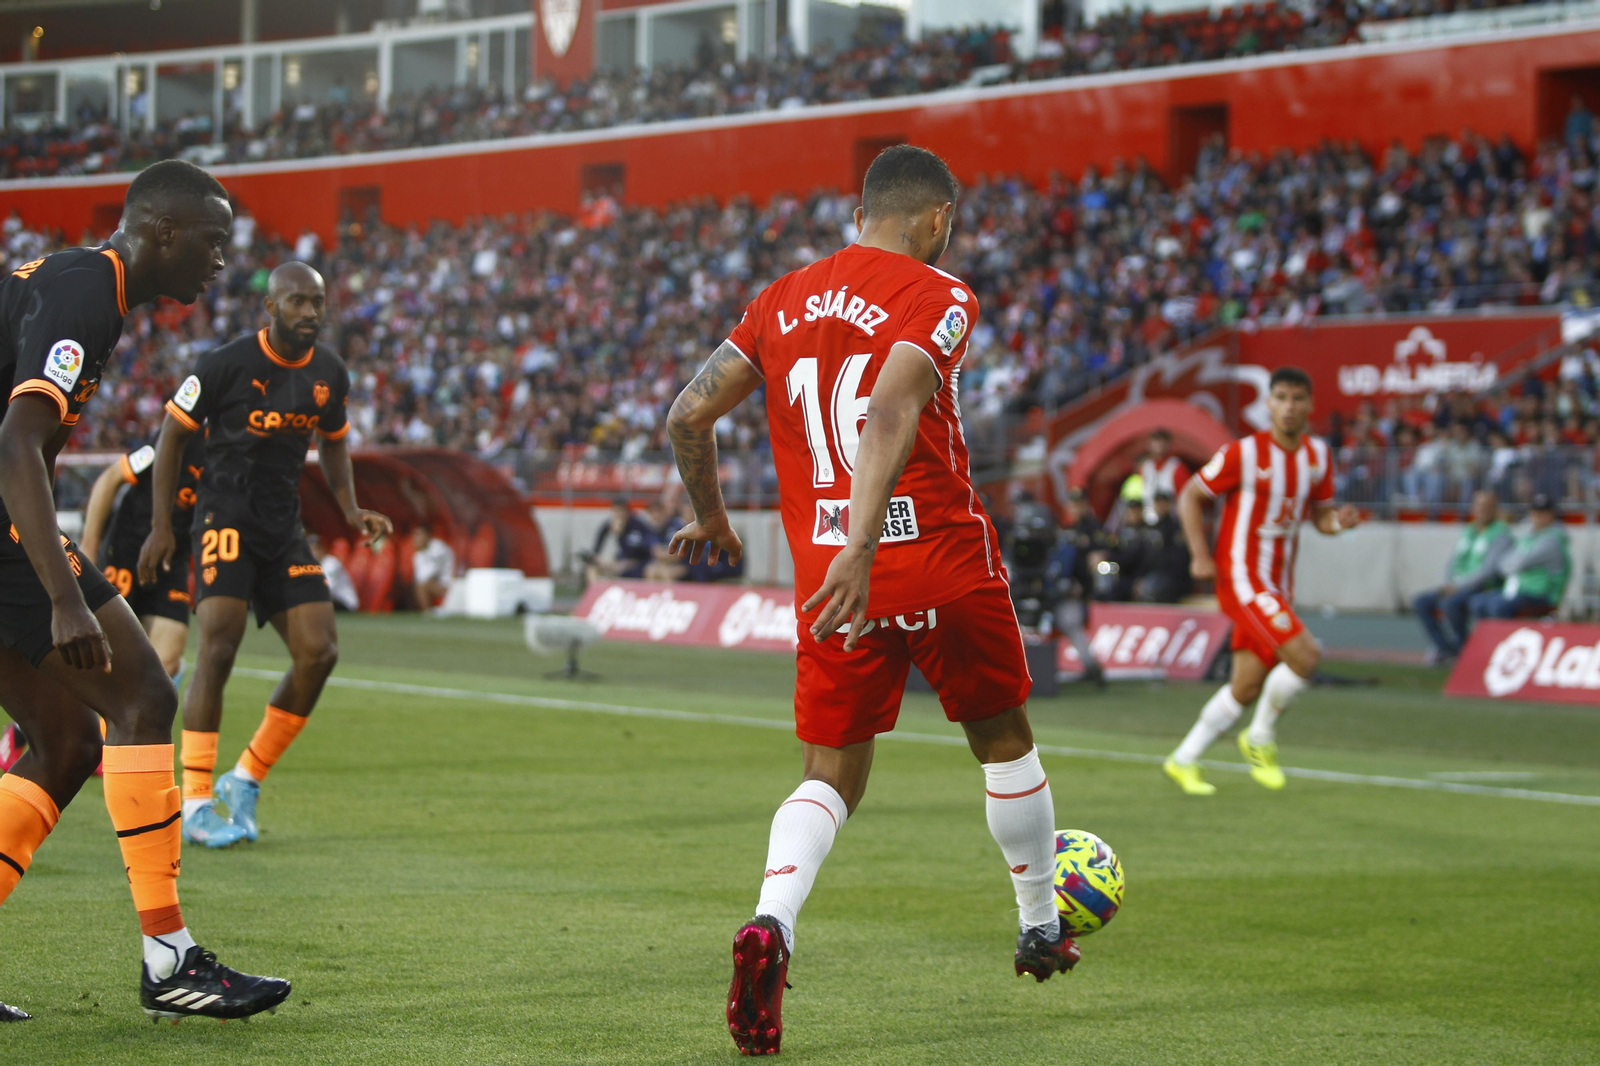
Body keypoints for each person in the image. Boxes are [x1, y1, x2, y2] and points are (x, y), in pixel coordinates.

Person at [665, 145, 1080, 1057]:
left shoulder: (779, 299)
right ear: (936, 219)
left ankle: (771, 922)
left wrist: (715, 517)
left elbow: (687, 414)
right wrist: (867, 543)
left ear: (861, 215)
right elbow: (891, 406)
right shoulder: (941, 293)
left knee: (829, 774)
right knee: (1003, 743)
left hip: (829, 578)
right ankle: (1039, 925)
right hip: (932, 558)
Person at [0, 159, 289, 1021]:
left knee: (64, 741)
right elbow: (17, 444)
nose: (221, 260)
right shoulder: (87, 291)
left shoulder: (82, 285)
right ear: (163, 230)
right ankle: (169, 959)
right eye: (213, 240)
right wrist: (64, 595)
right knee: (144, 698)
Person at [138, 261, 391, 851]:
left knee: (319, 652)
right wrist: (161, 526)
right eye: (298, 301)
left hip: (282, 529)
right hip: (223, 517)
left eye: (317, 302)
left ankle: (246, 778)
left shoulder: (329, 372)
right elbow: (172, 435)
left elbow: (334, 444)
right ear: (271, 307)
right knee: (218, 646)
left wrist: (351, 509)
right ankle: (195, 803)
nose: (310, 312)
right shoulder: (223, 364)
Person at [1163, 366, 1361, 797]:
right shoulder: (1244, 454)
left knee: (1247, 685)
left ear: (1310, 405)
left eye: (1297, 399)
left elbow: (1321, 518)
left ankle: (1183, 759)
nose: (1289, 407)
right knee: (1306, 657)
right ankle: (1259, 738)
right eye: (1281, 398)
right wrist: (1199, 555)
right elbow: (1191, 495)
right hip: (1242, 578)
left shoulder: (1317, 456)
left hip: (1278, 585)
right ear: (1268, 403)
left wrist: (1339, 523)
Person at [78, 432, 209, 678]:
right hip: (127, 551)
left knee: (167, 660)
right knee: (104, 656)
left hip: (172, 562)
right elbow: (111, 478)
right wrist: (89, 547)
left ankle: (126, 703)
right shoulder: (180, 437)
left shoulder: (239, 455)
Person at [1412, 489, 1511, 664]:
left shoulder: (1501, 534)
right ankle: (1445, 648)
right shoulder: (1469, 531)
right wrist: (1447, 583)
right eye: (1479, 506)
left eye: (1488, 506)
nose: (1483, 510)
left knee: (1451, 604)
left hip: (1482, 587)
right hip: (1455, 586)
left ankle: (1465, 648)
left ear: (1495, 509)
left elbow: (1489, 569)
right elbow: (1453, 561)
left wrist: (1458, 587)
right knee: (1421, 602)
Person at [1464, 494, 1570, 627]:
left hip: (1541, 593)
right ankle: (1486, 638)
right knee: (1478, 602)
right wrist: (1513, 564)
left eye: (1543, 513)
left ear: (1551, 515)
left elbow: (1519, 562)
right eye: (1535, 513)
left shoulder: (1552, 540)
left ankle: (1503, 637)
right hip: (1521, 589)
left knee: (1498, 606)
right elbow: (1504, 563)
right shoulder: (1530, 536)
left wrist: (1513, 564)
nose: (1538, 517)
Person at [1128, 490, 1191, 603]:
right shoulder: (1151, 528)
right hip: (1152, 574)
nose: (1160, 506)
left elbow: (1179, 560)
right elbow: (1145, 557)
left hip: (1171, 576)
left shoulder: (1176, 528)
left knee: (1152, 589)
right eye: (1157, 503)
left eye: (1162, 503)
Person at [584, 497, 656, 581]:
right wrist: (598, 559)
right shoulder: (609, 525)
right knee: (592, 569)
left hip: (639, 564)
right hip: (619, 562)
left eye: (621, 511)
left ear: (627, 512)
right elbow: (597, 549)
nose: (619, 514)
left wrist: (621, 534)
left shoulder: (637, 526)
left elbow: (636, 552)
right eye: (616, 511)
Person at [1133, 429, 1189, 524]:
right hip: (1146, 521)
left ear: (1168, 444)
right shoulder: (1145, 467)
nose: (1159, 446)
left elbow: (1186, 496)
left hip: (1171, 521)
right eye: (1156, 441)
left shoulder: (1176, 467)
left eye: (1162, 442)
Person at [307, 534, 358, 612]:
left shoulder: (331, 563)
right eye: (311, 550)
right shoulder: (313, 566)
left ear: (322, 549)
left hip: (346, 604)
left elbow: (327, 589)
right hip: (332, 602)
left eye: (315, 549)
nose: (313, 554)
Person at [409, 525, 454, 609]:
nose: (415, 538)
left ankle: (427, 614)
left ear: (427, 535)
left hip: (449, 586)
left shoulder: (438, 548)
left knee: (422, 587)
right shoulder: (418, 553)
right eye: (414, 535)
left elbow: (429, 575)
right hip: (434, 584)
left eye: (419, 534)